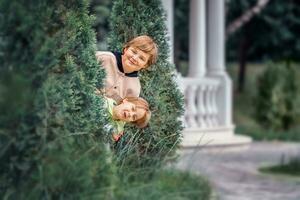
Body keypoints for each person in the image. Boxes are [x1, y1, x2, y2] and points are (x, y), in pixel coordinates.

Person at [95, 35, 158, 102]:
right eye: (133, 52)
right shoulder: (103, 58)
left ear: (145, 65)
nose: (135, 58)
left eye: (141, 58)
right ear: (126, 49)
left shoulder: (135, 88)